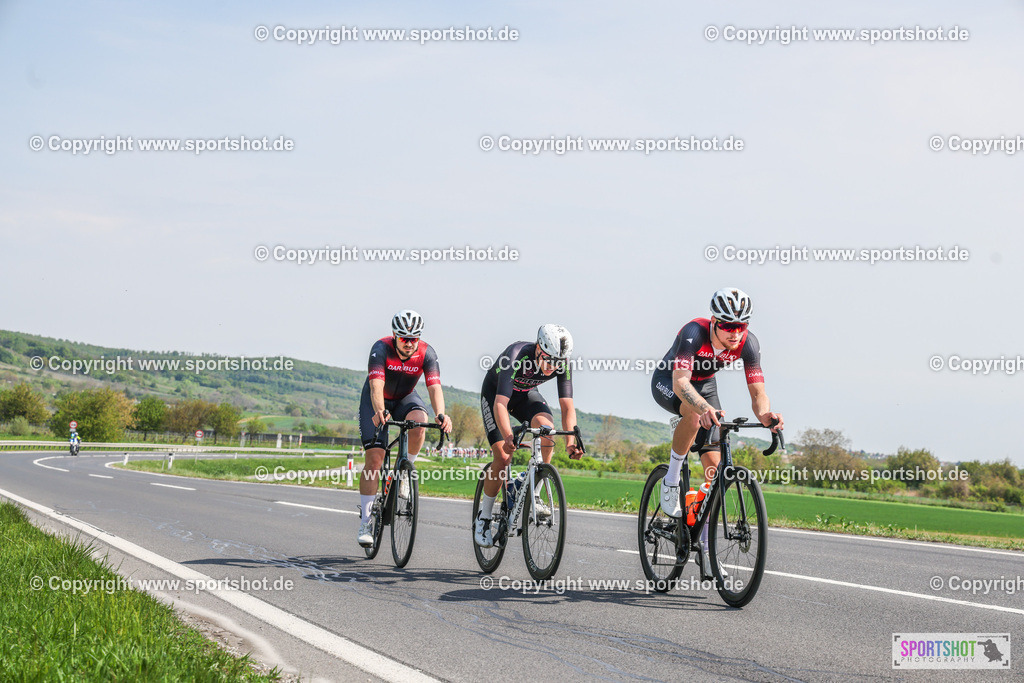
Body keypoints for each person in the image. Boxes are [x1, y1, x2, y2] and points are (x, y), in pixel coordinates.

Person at [650, 288, 783, 576]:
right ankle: (671, 480)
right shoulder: (693, 333)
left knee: (715, 474)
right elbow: (680, 383)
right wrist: (701, 408)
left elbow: (758, 393)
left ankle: (707, 552)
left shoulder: (749, 344)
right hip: (670, 382)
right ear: (714, 321)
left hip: (706, 385)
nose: (735, 333)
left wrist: (766, 415)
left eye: (741, 326)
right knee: (696, 415)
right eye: (728, 326)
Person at [474, 324, 582, 548]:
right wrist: (507, 436)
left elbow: (567, 407)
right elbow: (501, 404)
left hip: (525, 395)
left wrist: (571, 442)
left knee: (547, 430)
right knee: (503, 458)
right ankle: (483, 518)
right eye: (549, 360)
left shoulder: (561, 363)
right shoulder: (515, 355)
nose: (553, 367)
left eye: (558, 363)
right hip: (496, 396)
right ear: (538, 349)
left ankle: (534, 491)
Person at [356, 310, 452, 547]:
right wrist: (379, 410)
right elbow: (376, 385)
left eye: (413, 338)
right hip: (377, 400)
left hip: (405, 398)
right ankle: (366, 521)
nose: (409, 344)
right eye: (404, 338)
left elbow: (434, 387)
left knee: (420, 422)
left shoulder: (427, 353)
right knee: (375, 460)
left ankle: (405, 471)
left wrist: (441, 413)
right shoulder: (381, 348)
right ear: (394, 336)